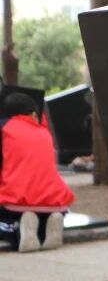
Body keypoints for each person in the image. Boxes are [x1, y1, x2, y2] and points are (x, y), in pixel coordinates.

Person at [0, 92, 74, 252]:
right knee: (38, 221)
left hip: (17, 202)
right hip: (56, 203)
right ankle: (52, 222)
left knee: (10, 222)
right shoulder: (44, 132)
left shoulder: (5, 129)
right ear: (34, 114)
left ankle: (17, 230)